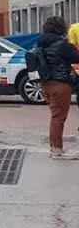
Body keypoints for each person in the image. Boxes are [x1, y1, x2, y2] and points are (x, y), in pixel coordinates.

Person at [36, 16, 79, 159]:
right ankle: (57, 150)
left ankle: (53, 147)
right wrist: (69, 42)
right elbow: (75, 57)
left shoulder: (41, 42)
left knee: (54, 116)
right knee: (59, 117)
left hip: (45, 83)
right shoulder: (61, 44)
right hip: (60, 83)